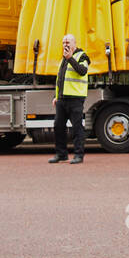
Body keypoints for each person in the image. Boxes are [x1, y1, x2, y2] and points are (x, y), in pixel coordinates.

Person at [49, 33, 89, 165]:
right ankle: (61, 154)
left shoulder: (82, 56)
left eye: (68, 42)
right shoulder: (63, 59)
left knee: (77, 128)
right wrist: (56, 96)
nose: (65, 45)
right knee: (58, 126)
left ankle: (78, 155)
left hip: (75, 98)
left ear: (74, 44)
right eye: (63, 43)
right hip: (62, 99)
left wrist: (70, 58)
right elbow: (60, 80)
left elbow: (82, 71)